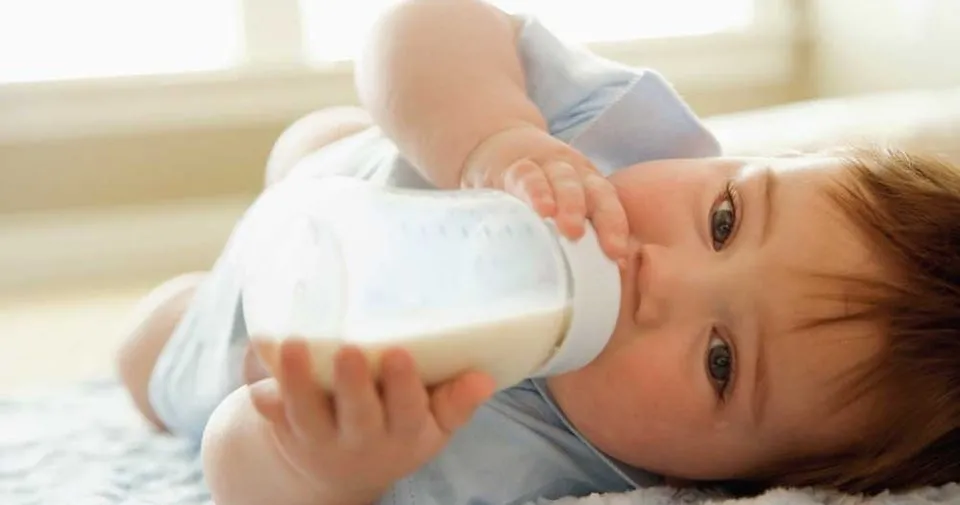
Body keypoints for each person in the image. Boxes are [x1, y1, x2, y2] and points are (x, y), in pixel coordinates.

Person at [115, 1, 960, 504]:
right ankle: (306, 165)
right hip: (351, 177)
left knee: (143, 362)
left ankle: (181, 308)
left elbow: (234, 454)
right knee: (327, 135)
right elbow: (427, 20)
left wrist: (322, 461)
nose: (658, 273)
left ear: (725, 483)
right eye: (726, 220)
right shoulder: (607, 136)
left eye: (719, 361)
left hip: (249, 324)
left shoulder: (520, 468)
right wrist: (492, 139)